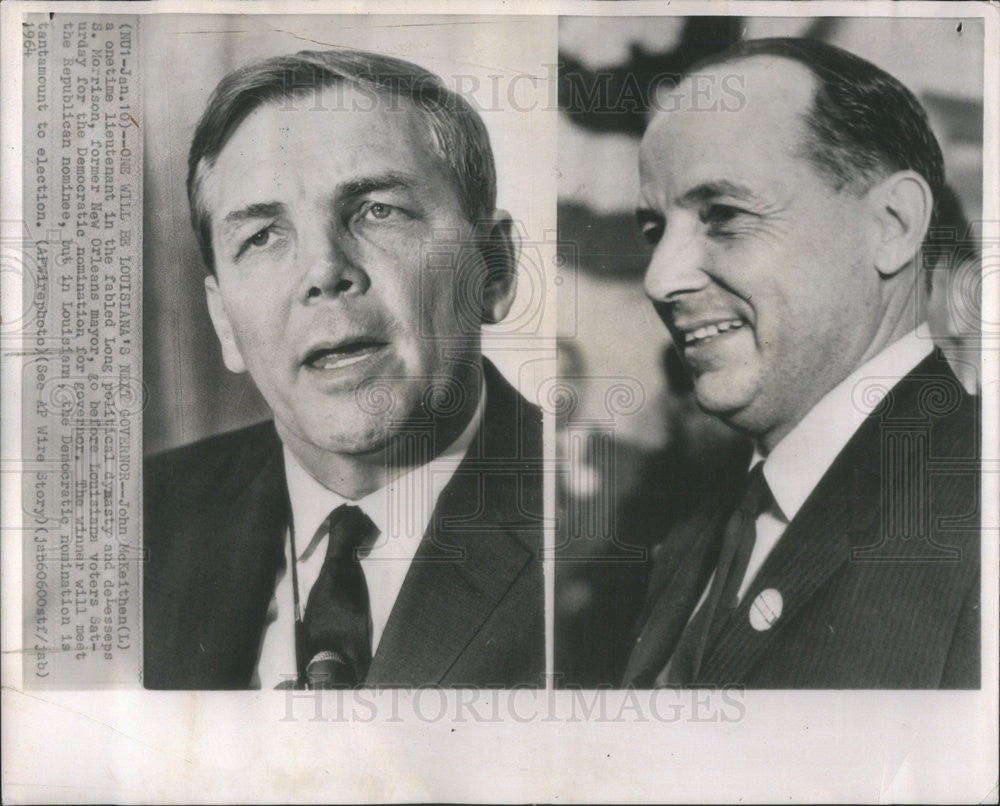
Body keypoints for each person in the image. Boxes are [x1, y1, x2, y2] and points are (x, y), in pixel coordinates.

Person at [143, 49, 544, 689]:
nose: (324, 272)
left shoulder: (624, 531)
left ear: (491, 269)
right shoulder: (130, 529)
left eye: (377, 210)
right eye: (263, 236)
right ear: (223, 322)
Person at [623, 38, 980, 688]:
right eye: (655, 233)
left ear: (894, 224)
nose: (660, 278)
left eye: (725, 215)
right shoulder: (704, 526)